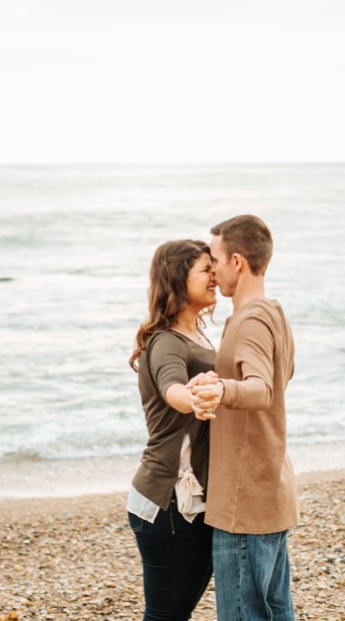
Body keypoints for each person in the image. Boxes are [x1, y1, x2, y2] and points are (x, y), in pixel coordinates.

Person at [191, 215, 297, 621]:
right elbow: (279, 381)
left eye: (215, 259)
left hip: (244, 502)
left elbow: (262, 389)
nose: (212, 271)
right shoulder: (274, 314)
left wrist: (222, 389)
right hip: (269, 488)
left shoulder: (250, 319)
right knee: (275, 612)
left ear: (237, 261)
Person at [128, 239, 220, 620]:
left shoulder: (196, 335)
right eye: (205, 270)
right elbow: (172, 388)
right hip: (167, 501)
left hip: (186, 501)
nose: (215, 277)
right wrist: (193, 400)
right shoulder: (166, 341)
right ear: (178, 280)